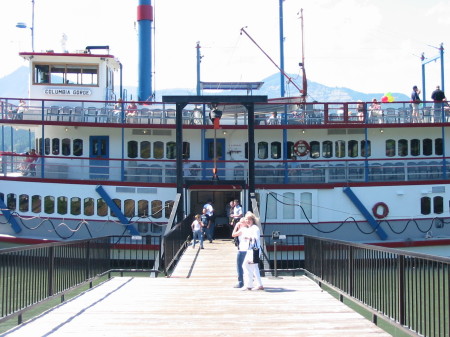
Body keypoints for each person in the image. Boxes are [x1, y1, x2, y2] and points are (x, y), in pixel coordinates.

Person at [242, 212, 264, 291]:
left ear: (253, 220)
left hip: (254, 251)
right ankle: (253, 284)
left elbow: (256, 238)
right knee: (250, 266)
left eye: (250, 219)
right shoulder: (250, 228)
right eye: (247, 219)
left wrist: (248, 238)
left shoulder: (255, 228)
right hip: (250, 250)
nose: (248, 221)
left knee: (250, 266)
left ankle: (252, 285)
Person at [231, 218, 249, 288]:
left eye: (241, 222)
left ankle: (241, 282)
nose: (239, 223)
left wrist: (236, 226)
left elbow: (233, 234)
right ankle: (248, 281)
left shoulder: (242, 230)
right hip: (248, 250)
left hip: (242, 250)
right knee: (247, 266)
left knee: (239, 266)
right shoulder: (249, 229)